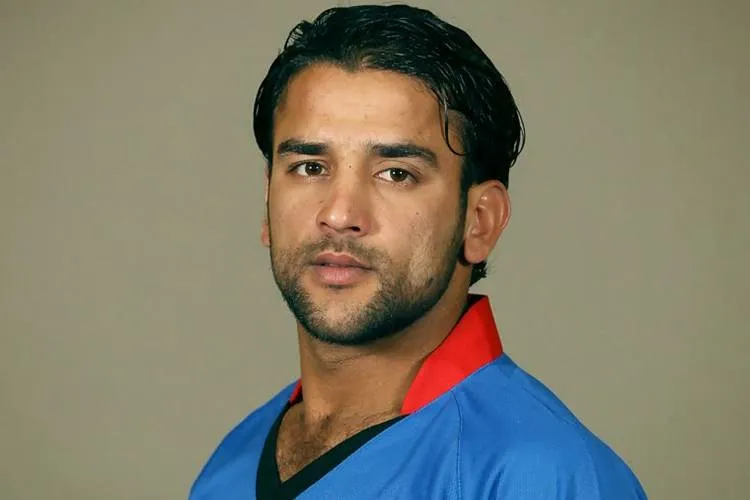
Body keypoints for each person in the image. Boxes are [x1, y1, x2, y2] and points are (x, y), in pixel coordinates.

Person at [190, 4, 647, 499]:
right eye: (309, 167)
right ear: (267, 201)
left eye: (396, 174)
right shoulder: (231, 464)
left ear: (480, 220)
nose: (339, 214)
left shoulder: (544, 477)